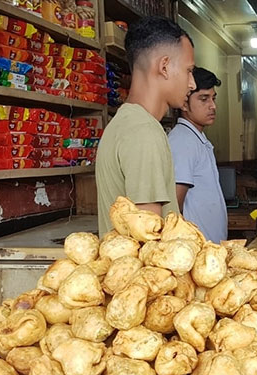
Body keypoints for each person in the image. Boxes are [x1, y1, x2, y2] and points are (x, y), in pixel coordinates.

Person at [96, 16, 196, 235]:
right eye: (189, 71)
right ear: (164, 66)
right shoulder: (144, 132)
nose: (192, 84)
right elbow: (149, 242)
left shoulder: (123, 123)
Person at [168, 67, 227, 243]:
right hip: (198, 247)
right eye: (204, 99)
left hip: (210, 245)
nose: (213, 106)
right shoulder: (182, 141)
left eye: (213, 98)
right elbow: (175, 205)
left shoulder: (195, 137)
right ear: (184, 103)